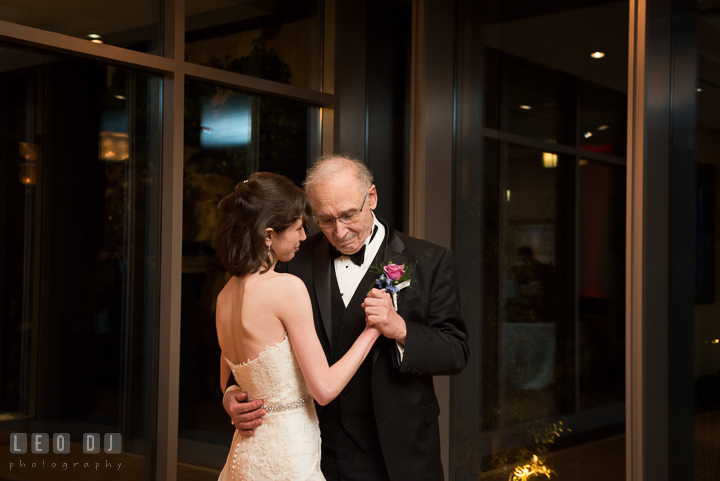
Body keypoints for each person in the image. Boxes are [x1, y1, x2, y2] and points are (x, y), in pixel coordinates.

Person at [224, 155, 470, 481]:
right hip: (315, 451)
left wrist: (400, 329)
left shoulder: (428, 260)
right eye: (325, 220)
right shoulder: (293, 259)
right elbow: (255, 332)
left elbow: (455, 352)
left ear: (371, 198)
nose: (339, 232)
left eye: (348, 215)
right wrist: (231, 392)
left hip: (399, 453)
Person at [215, 172, 381, 481]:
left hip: (246, 451)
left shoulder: (225, 295)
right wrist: (373, 330)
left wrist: (230, 399)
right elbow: (325, 389)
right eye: (296, 229)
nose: (304, 237)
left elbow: (230, 380)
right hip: (288, 452)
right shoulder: (285, 288)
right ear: (268, 236)